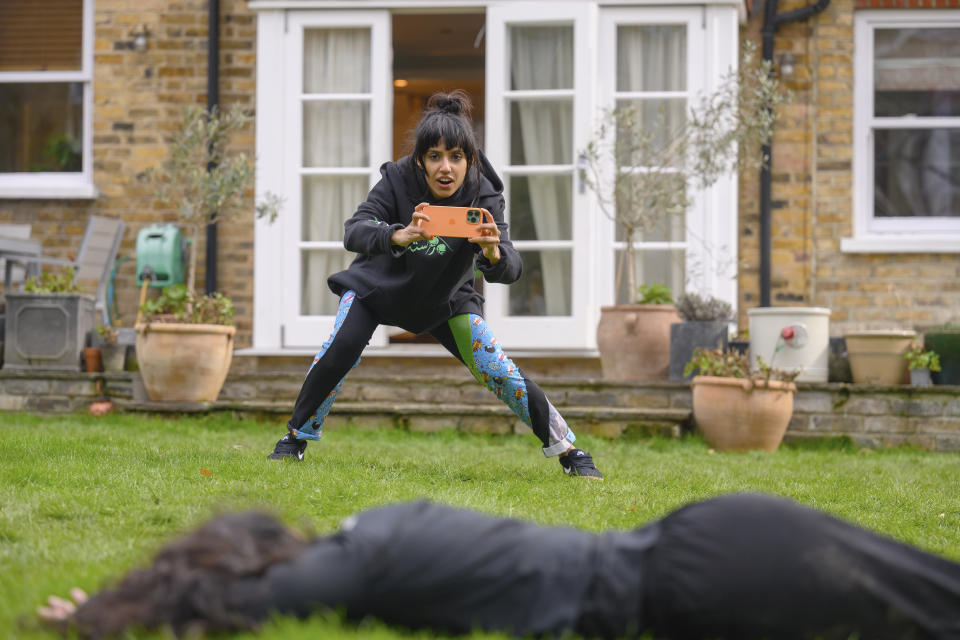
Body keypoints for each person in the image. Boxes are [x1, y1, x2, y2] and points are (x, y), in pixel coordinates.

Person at [39, 493, 960, 639]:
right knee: (920, 596)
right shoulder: (377, 530)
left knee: (922, 603)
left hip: (690, 575)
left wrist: (102, 618)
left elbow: (240, 603)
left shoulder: (360, 559)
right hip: (698, 549)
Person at [265, 90, 602, 479]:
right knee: (341, 346)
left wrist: (492, 253)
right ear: (421, 161)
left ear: (469, 160)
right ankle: (295, 437)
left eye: (456, 157)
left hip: (445, 299)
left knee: (496, 365)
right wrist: (396, 235)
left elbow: (511, 267)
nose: (446, 168)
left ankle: (568, 450)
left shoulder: (484, 194)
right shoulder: (396, 179)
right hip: (377, 287)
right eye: (435, 157)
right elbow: (354, 230)